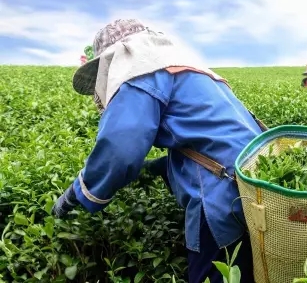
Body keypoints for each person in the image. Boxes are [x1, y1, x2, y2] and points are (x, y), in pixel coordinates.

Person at [50, 19, 259, 283]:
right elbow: (209, 136)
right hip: (252, 181)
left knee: (213, 274)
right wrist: (161, 167)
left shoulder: (140, 71)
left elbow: (119, 149)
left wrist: (78, 192)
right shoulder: (186, 70)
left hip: (219, 193)